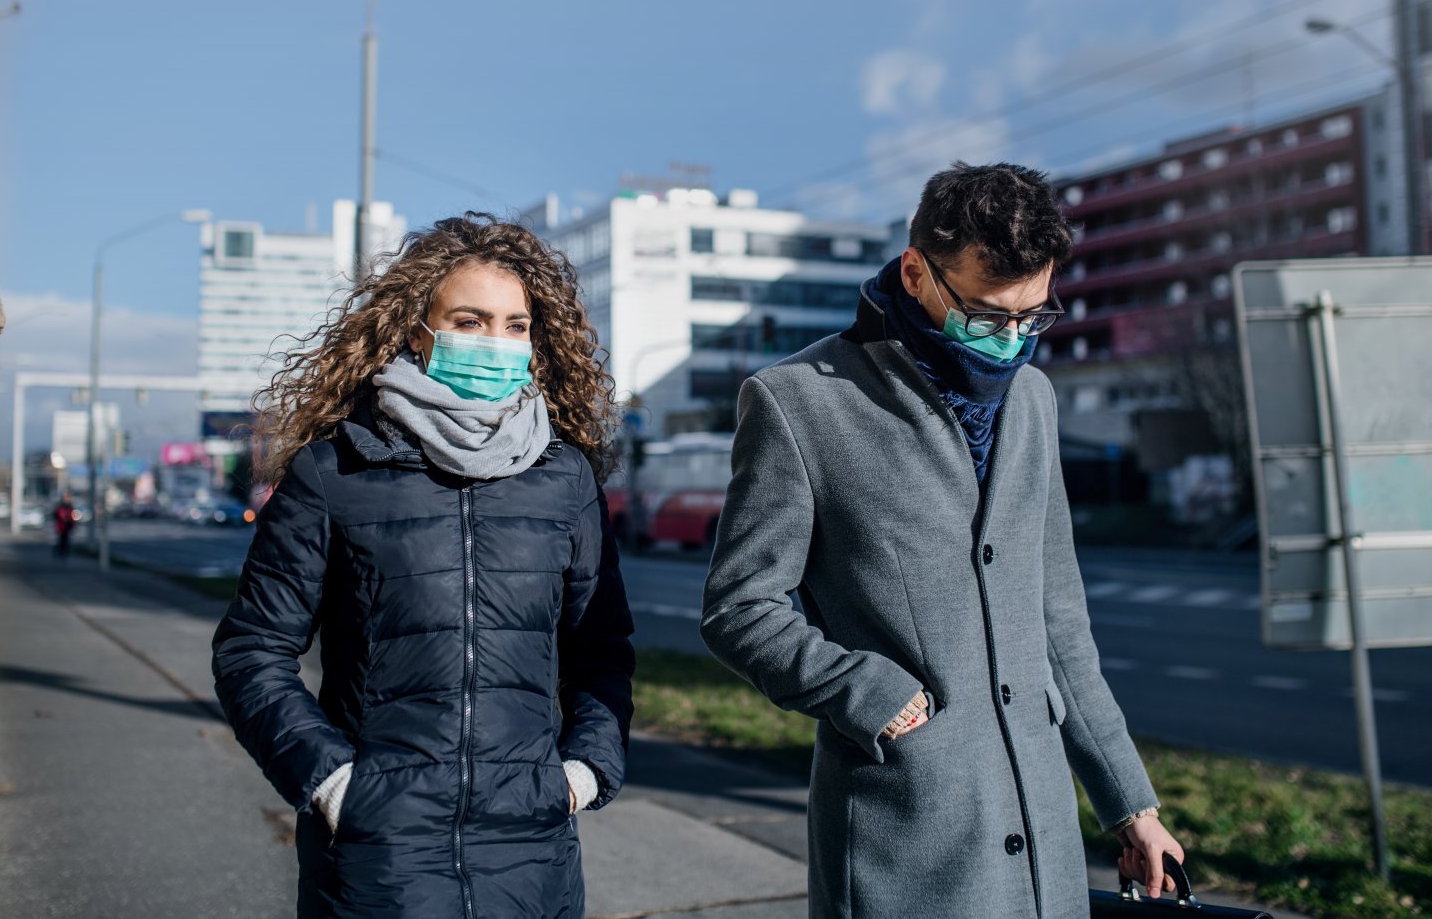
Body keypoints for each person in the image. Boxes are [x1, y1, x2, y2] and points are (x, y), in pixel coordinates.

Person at [701, 162, 1186, 918]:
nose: (1013, 341)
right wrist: (863, 689)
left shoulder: (1033, 399)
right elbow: (740, 607)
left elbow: (1057, 622)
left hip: (1043, 842)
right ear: (917, 271)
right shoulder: (797, 401)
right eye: (990, 316)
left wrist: (1131, 805)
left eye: (1034, 316)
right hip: (906, 839)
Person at [211, 213, 634, 919]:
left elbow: (602, 652)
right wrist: (332, 780)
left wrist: (583, 772)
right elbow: (252, 649)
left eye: (515, 324)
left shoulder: (565, 480)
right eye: (469, 320)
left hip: (531, 852)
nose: (494, 341)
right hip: (379, 857)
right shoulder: (333, 472)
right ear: (417, 331)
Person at [51, 491, 76, 558]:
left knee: (66, 539)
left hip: (68, 525)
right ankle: (60, 551)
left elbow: (72, 515)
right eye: (66, 497)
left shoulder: (70, 506)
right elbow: (57, 515)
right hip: (61, 526)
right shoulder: (61, 506)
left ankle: (63, 552)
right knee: (62, 539)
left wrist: (72, 522)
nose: (67, 499)